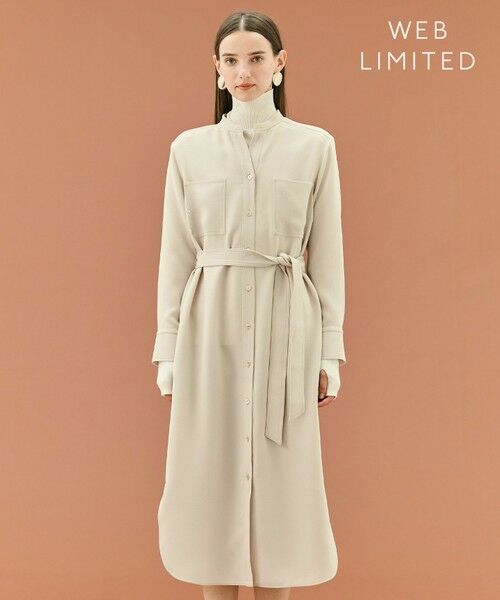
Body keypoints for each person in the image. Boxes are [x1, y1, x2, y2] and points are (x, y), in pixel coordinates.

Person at [152, 10, 347, 600]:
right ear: (216, 69)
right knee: (209, 472)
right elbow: (176, 254)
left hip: (288, 326)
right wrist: (168, 350)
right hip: (208, 327)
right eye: (232, 60)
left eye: (256, 58)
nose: (244, 71)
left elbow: (327, 255)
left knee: (283, 478)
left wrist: (330, 352)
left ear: (279, 64)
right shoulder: (189, 150)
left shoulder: (314, 147)